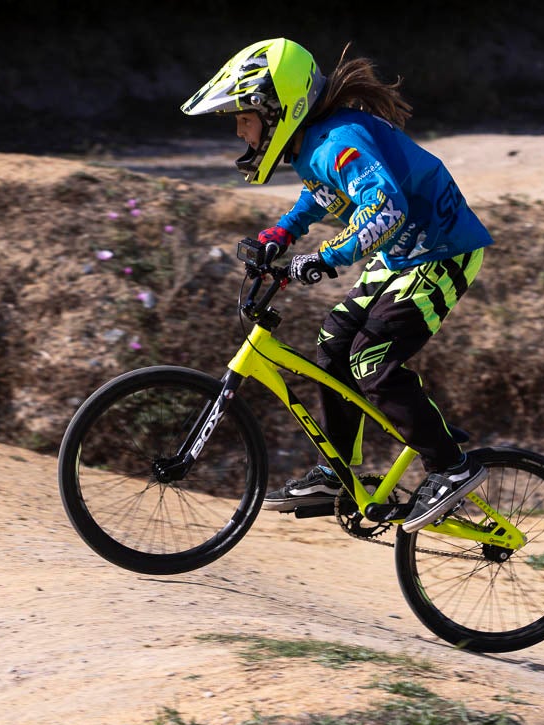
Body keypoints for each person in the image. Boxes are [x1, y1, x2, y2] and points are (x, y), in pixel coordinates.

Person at [181, 37, 493, 533]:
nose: (240, 130)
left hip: (442, 251)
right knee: (334, 342)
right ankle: (341, 473)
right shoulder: (317, 145)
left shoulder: (339, 141)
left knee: (372, 359)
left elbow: (387, 207)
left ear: (277, 109)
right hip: (403, 255)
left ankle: (452, 467)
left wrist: (325, 257)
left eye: (244, 117)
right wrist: (279, 235)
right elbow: (320, 195)